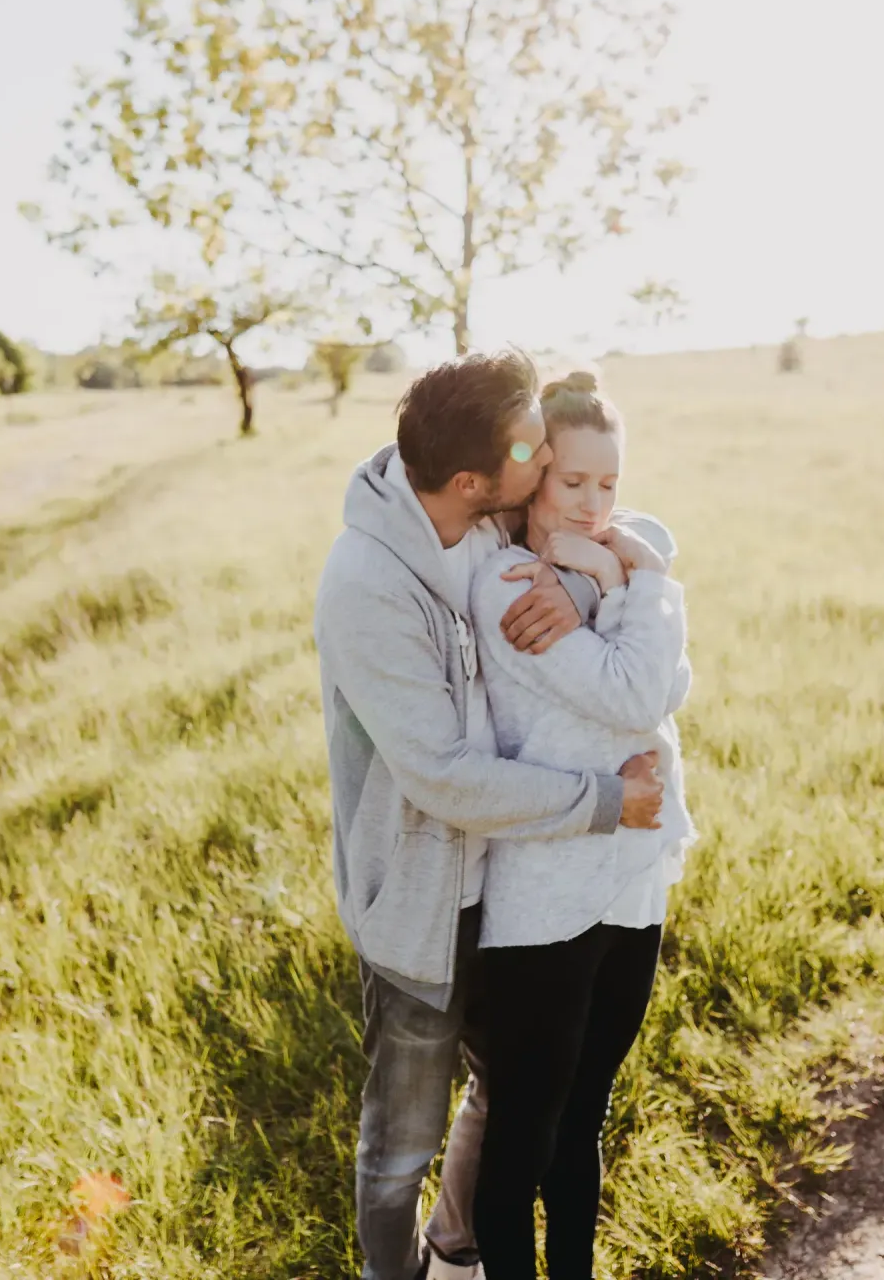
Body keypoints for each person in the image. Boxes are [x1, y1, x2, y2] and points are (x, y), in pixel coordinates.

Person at [314, 351, 667, 1280]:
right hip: (423, 900)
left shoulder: (484, 508)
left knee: (504, 1093)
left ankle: (458, 1248)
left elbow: (628, 517)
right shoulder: (370, 584)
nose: (548, 459)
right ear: (478, 481)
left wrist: (596, 577)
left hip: (515, 879)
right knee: (402, 1138)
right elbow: (444, 776)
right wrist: (605, 801)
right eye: (534, 451)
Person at [468, 372, 695, 1280]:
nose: (597, 505)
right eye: (574, 484)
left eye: (611, 483)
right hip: (548, 896)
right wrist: (635, 581)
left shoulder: (615, 561)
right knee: (523, 1135)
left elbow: (673, 686)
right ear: (534, 475)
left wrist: (619, 570)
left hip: (634, 876)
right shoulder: (511, 584)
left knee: (585, 1115)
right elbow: (646, 688)